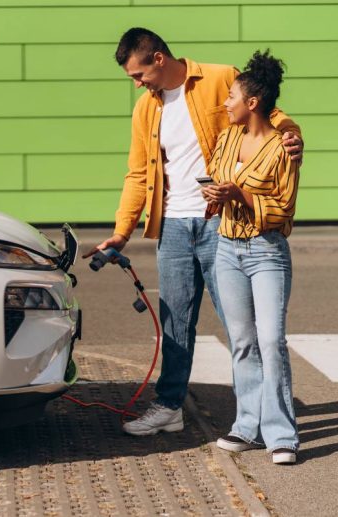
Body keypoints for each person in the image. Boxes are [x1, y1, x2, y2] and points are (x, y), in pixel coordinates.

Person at [83, 28, 303, 436]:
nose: (136, 83)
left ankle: (257, 416)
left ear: (159, 60)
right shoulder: (146, 108)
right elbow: (137, 173)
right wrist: (122, 231)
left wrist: (292, 136)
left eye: (139, 74)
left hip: (222, 220)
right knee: (175, 321)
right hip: (173, 226)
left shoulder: (220, 79)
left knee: (243, 327)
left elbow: (272, 114)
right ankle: (170, 406)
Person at [201, 50, 300, 464]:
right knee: (241, 341)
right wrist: (212, 194)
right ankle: (246, 427)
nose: (226, 103)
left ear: (253, 102)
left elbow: (284, 208)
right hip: (226, 248)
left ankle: (281, 435)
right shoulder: (226, 138)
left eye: (232, 97)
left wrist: (239, 193)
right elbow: (215, 178)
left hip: (266, 253)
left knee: (271, 340)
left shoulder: (285, 148)